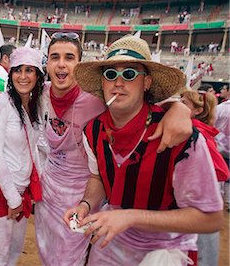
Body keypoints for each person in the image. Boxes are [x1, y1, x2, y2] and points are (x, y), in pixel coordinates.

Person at [34, 32, 193, 265]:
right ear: (46, 63)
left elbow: (142, 101)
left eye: (69, 57)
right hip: (49, 193)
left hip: (84, 190)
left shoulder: (95, 100)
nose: (61, 64)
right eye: (54, 57)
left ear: (79, 65)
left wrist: (178, 108)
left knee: (70, 257)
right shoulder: (39, 94)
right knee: (46, 250)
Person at [64, 34, 223, 265]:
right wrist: (85, 205)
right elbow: (98, 176)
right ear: (102, 83)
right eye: (110, 74)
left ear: (146, 82)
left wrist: (129, 217)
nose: (118, 83)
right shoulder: (92, 131)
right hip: (111, 245)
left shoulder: (181, 137)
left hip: (164, 251)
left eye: (129, 74)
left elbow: (211, 218)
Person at [0, 47, 45, 265]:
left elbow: (33, 149)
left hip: (21, 193)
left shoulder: (35, 105)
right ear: (10, 73)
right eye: (17, 70)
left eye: (29, 70)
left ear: (38, 75)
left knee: (13, 253)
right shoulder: (1, 102)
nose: (23, 77)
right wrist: (13, 198)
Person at [180, 89, 229, 265]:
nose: (178, 105)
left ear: (197, 110)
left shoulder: (194, 135)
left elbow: (220, 172)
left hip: (197, 210)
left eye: (184, 102)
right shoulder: (198, 132)